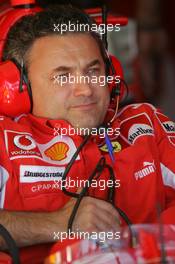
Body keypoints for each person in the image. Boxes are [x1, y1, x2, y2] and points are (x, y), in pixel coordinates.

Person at [0, 4, 175, 254]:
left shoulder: (146, 125)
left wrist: (147, 246)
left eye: (93, 71)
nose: (85, 90)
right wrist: (57, 223)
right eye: (63, 76)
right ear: (19, 87)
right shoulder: (4, 142)